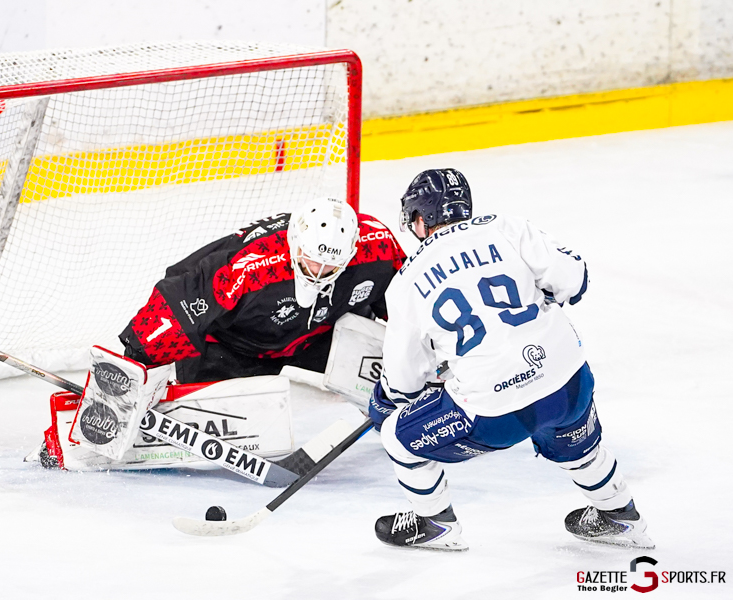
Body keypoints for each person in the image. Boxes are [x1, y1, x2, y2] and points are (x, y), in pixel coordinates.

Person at [369, 169, 653, 550]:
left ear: (420, 219)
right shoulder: (505, 227)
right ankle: (621, 516)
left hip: (495, 413)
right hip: (568, 382)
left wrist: (388, 401)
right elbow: (575, 278)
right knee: (578, 447)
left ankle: (436, 525)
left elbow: (404, 383)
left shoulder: (405, 281)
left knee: (396, 437)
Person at [119, 196, 406, 383]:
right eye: (311, 260)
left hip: (313, 343)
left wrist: (428, 352)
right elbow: (181, 301)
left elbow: (407, 303)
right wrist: (134, 367)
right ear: (295, 242)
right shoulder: (254, 264)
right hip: (234, 350)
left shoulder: (377, 245)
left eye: (330, 265)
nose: (317, 273)